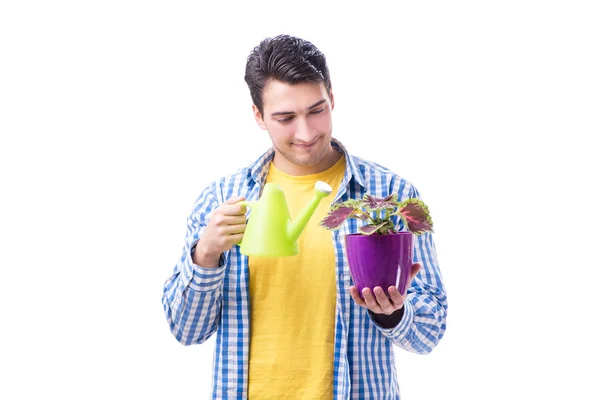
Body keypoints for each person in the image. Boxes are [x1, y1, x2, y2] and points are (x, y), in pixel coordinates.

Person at [162, 34, 447, 399]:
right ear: (257, 115)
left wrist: (392, 313)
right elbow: (186, 331)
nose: (307, 132)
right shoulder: (220, 200)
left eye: (317, 110)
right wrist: (205, 255)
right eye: (285, 117)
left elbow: (430, 332)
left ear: (332, 97)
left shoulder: (389, 197)